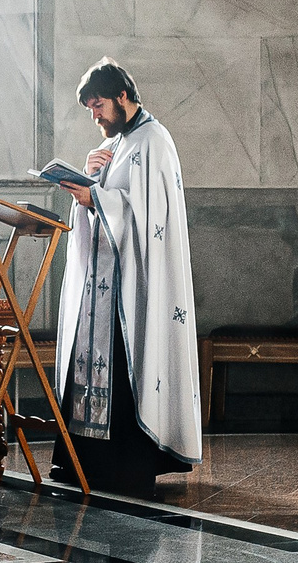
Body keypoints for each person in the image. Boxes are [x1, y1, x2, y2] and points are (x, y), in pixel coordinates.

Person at [53, 59, 202, 494]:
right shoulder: (118, 143)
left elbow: (148, 218)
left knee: (125, 363)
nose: (95, 116)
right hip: (103, 282)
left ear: (122, 96)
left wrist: (96, 197)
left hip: (133, 286)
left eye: (98, 105)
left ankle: (125, 467)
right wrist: (90, 179)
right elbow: (110, 201)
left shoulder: (153, 140)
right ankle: (85, 462)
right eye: (89, 109)